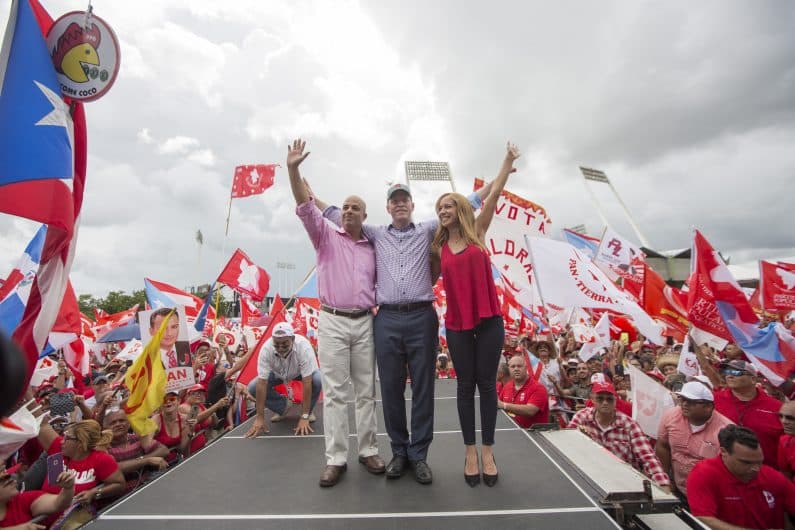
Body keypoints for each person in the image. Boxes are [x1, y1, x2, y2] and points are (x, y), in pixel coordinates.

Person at [281, 138, 382, 487]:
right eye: (346, 207)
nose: (351, 211)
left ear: (365, 216)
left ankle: (368, 450)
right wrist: (293, 169)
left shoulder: (373, 246)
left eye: (357, 208)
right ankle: (336, 458)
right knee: (337, 393)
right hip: (333, 321)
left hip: (366, 321)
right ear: (340, 214)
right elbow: (305, 205)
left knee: (366, 390)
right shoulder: (325, 235)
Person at [431, 142, 520, 487]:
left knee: (487, 385)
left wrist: (506, 162)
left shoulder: (479, 231)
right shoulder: (436, 247)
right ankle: (469, 451)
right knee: (465, 386)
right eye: (439, 207)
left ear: (461, 209)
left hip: (489, 322)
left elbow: (494, 193)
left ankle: (487, 450)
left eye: (449, 205)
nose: (443, 210)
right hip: (456, 325)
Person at [687, 425, 795, 529]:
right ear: (724, 452)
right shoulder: (704, 474)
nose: (756, 469)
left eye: (759, 462)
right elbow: (703, 519)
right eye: (746, 462)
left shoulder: (771, 476)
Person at [568, 382, 671, 491]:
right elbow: (566, 443)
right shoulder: (581, 417)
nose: (605, 402)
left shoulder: (629, 425)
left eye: (609, 399)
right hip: (590, 479)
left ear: (616, 401)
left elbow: (648, 457)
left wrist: (662, 484)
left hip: (624, 482)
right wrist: (578, 437)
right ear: (592, 399)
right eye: (600, 398)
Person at [36, 419, 125, 524]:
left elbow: (119, 484)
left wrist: (94, 493)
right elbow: (42, 423)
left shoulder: (101, 459)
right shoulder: (58, 450)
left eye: (67, 438)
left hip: (74, 522)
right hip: (40, 520)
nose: (61, 441)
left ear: (80, 442)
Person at [655, 381, 733, 497]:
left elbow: (729, 469)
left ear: (708, 406)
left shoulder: (726, 430)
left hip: (709, 493)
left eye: (691, 401)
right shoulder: (670, 416)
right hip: (677, 488)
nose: (684, 404)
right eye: (682, 399)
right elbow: (663, 446)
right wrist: (665, 478)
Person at [244, 323, 322, 437]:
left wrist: (304, 416)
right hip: (278, 373)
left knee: (317, 380)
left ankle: (307, 412)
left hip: (301, 372)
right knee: (252, 387)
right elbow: (262, 384)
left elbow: (307, 382)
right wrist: (260, 418)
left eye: (284, 344)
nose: (280, 348)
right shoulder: (266, 349)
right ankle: (282, 406)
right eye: (277, 344)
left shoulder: (303, 347)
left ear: (293, 339)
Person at [712, 360, 783, 468]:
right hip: (724, 469)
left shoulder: (776, 407)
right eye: (727, 372)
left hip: (765, 471)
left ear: (753, 379)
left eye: (737, 373)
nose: (730, 376)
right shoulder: (714, 400)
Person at [103, 409, 169, 493]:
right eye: (113, 423)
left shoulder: (137, 438)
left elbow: (164, 450)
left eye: (122, 420)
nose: (118, 424)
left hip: (148, 487)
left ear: (128, 423)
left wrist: (144, 459)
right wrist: (147, 460)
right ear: (105, 428)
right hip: (121, 498)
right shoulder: (103, 447)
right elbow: (114, 468)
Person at [0, 465, 75, 529]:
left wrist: (68, 488)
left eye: (5, 471)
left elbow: (58, 503)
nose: (10, 478)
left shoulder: (22, 499)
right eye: (2, 480)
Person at [497, 354, 549, 431]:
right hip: (512, 433)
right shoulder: (507, 386)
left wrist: (504, 405)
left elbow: (530, 411)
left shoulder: (538, 388)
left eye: (519, 366)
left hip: (535, 435)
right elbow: (498, 405)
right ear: (509, 369)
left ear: (526, 368)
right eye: (513, 366)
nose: (516, 369)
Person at [153, 391, 194, 464]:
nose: (168, 401)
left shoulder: (184, 420)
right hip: (157, 469)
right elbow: (146, 447)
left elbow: (182, 449)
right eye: (164, 400)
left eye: (172, 399)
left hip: (177, 462)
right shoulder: (155, 420)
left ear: (179, 401)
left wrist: (190, 430)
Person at [778, 400, 795, 480]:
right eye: (781, 416)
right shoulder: (784, 441)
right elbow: (786, 475)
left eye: (790, 418)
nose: (783, 421)